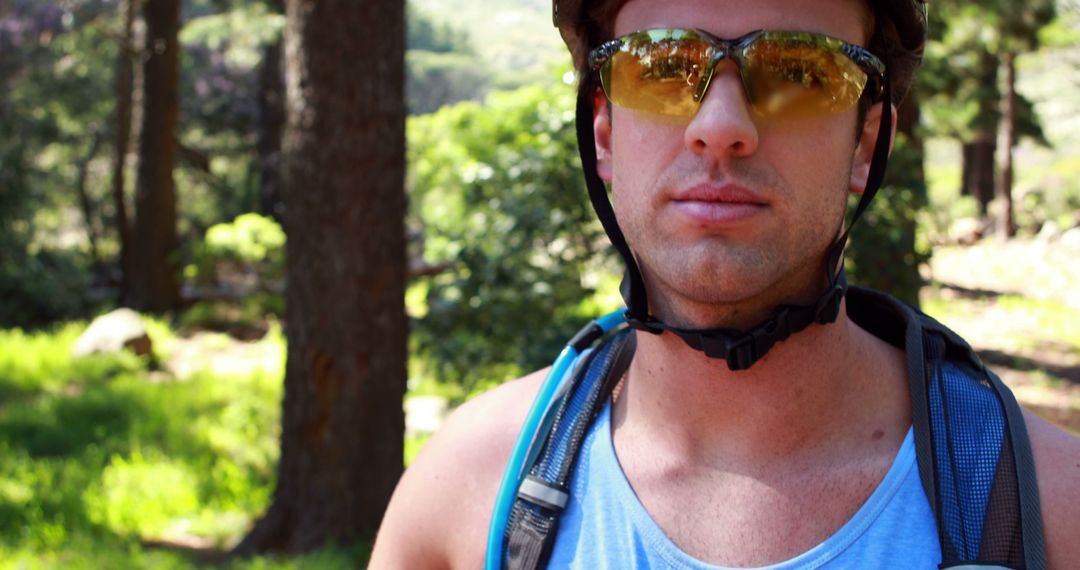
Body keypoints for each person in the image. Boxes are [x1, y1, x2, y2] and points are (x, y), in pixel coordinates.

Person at [369, 0, 1080, 567]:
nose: (721, 126)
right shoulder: (463, 498)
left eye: (800, 72)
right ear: (606, 133)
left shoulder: (1050, 512)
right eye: (663, 68)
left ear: (866, 144)